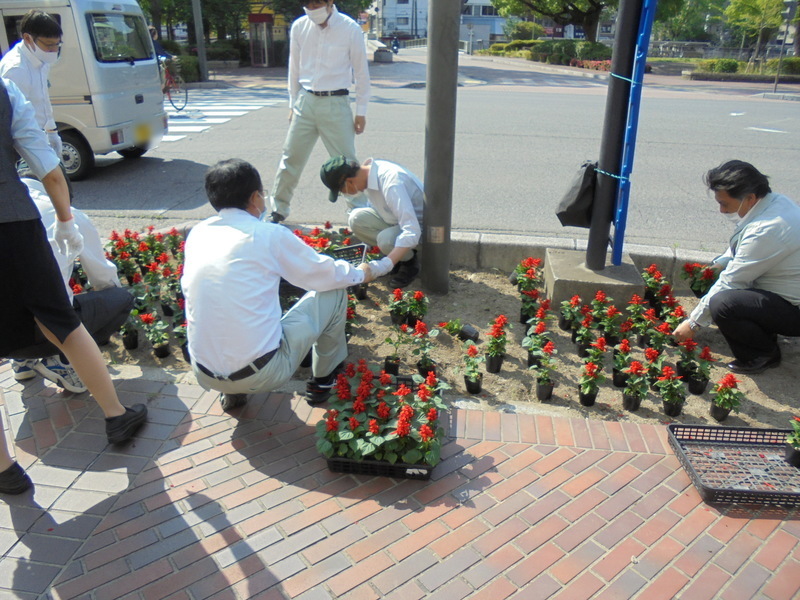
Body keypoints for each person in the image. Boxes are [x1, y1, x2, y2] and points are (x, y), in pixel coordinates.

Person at [0, 77, 146, 495]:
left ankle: (4, 470)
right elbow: (48, 168)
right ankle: (116, 415)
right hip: (12, 223)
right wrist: (66, 220)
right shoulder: (5, 91)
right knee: (58, 318)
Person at [181, 159, 376, 411]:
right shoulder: (267, 235)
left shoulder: (199, 233)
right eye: (262, 193)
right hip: (262, 374)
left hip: (203, 373)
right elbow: (325, 275)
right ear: (255, 197)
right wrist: (361, 273)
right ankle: (323, 382)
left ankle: (232, 393)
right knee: (335, 291)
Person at [674, 160, 800, 375]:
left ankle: (762, 353)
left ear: (749, 198)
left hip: (794, 310)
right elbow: (742, 248)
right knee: (708, 277)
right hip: (777, 292)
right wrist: (718, 265)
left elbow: (733, 280)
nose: (722, 210)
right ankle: (761, 330)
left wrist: (693, 323)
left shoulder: (768, 228)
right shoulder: (773, 203)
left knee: (724, 303)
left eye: (725, 203)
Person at [9, 176, 134, 392]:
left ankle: (22, 362)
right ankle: (60, 360)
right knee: (121, 299)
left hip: (5, 336)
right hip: (47, 328)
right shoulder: (65, 214)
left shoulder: (8, 206)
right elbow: (102, 278)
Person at [268, 0, 370, 223]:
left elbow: (361, 72)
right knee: (291, 157)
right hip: (305, 100)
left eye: (317, 3)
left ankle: (360, 212)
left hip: (336, 101)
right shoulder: (299, 26)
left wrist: (361, 111)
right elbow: (293, 67)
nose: (312, 8)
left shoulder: (349, 28)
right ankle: (278, 208)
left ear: (330, 2)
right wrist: (292, 104)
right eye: (308, 3)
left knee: (347, 162)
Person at [320, 155, 424, 288]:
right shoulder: (368, 175)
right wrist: (367, 245)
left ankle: (409, 263)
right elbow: (376, 208)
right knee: (356, 218)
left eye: (341, 191)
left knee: (385, 240)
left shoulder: (391, 183)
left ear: (348, 182)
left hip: (421, 228)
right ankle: (397, 255)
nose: (344, 194)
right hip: (396, 220)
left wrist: (383, 266)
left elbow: (411, 230)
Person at [0, 10, 63, 158]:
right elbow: (14, 120)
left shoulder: (40, 59)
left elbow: (43, 98)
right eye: (49, 45)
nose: (54, 50)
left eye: (57, 44)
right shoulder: (16, 69)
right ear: (28, 38)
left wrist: (51, 131)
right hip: (20, 145)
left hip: (36, 137)